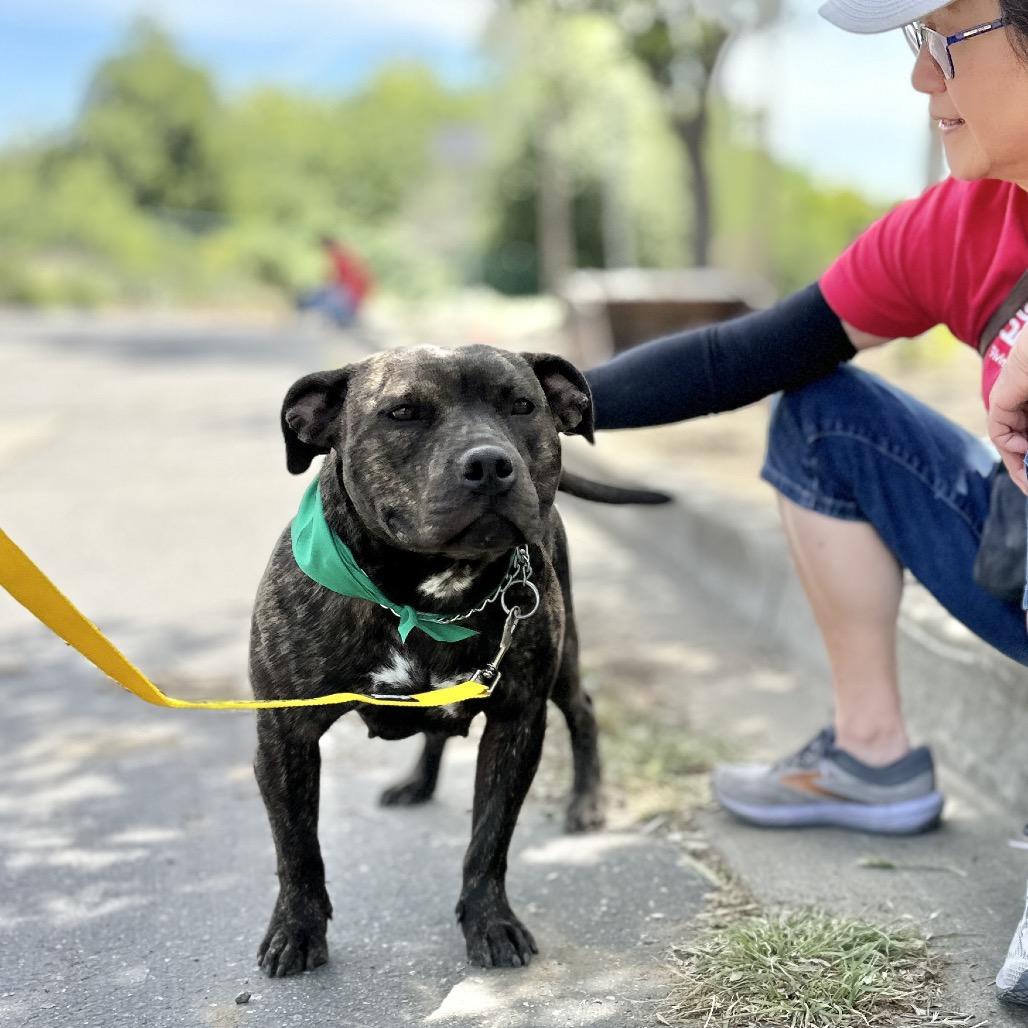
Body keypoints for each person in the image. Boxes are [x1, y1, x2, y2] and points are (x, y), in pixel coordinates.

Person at [582, 0, 1028, 1005]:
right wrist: (526, 393)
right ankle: (869, 753)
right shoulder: (957, 227)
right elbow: (743, 355)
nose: (919, 83)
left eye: (940, 45)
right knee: (821, 413)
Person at [297, 236, 373, 328]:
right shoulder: (346, 252)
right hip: (356, 291)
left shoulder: (338, 254)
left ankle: (343, 318)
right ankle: (344, 318)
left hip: (351, 291)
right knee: (325, 295)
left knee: (321, 296)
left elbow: (335, 277)